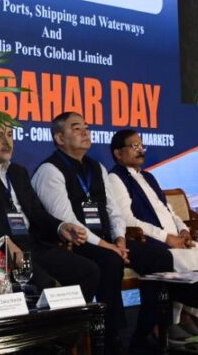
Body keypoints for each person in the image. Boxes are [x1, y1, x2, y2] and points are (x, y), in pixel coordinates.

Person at [32, 112, 173, 353]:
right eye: (76, 128)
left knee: (160, 257)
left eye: (86, 127)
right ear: (59, 138)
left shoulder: (96, 167)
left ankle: (145, 332)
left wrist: (120, 239)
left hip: (108, 241)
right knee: (110, 260)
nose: (85, 132)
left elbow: (114, 211)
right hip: (74, 242)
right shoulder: (49, 170)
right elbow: (66, 220)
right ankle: (110, 337)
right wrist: (110, 247)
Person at [107, 129, 198, 344]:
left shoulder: (148, 176)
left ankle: (186, 315)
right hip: (144, 241)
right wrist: (167, 238)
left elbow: (169, 211)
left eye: (141, 145)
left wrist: (183, 230)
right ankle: (171, 321)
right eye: (134, 146)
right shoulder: (115, 178)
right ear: (118, 153)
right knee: (179, 262)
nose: (140, 150)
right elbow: (127, 219)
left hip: (173, 238)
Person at [0, 119, 99, 300]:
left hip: (31, 245)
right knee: (44, 284)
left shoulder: (18, 172)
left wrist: (61, 226)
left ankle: (73, 319)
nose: (7, 142)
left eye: (10, 135)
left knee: (89, 271)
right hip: (0, 248)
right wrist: (5, 242)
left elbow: (37, 213)